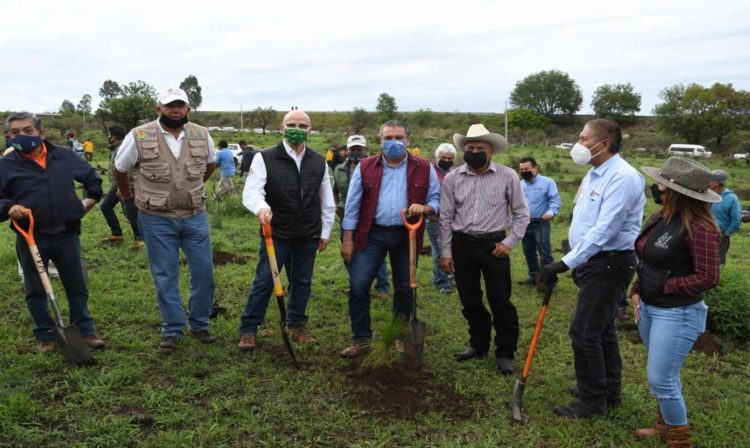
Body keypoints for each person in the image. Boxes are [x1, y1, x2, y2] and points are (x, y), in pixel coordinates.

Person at [541, 118, 645, 418]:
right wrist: (574, 254)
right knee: (602, 330)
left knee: (584, 331)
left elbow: (605, 230)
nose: (579, 143)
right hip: (592, 262)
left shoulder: (623, 177)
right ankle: (607, 390)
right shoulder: (594, 174)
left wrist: (564, 263)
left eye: (584, 139)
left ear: (604, 144)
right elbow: (584, 219)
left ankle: (592, 401)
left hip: (610, 263)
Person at [114, 87, 218, 351]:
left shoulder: (201, 134)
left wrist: (191, 189)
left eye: (180, 105)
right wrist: (128, 198)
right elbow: (121, 168)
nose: (176, 110)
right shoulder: (139, 135)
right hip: (155, 218)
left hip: (195, 216)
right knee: (165, 274)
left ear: (188, 109)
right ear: (158, 108)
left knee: (204, 272)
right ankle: (172, 330)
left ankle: (200, 324)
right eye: (170, 105)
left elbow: (210, 164)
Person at [631, 157, 721, 447]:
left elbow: (709, 276)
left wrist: (668, 285)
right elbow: (645, 259)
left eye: (662, 185)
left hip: (678, 313)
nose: (656, 188)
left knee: (661, 378)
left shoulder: (700, 228)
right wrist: (637, 288)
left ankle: (680, 440)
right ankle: (664, 424)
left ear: (677, 192)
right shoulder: (660, 217)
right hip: (649, 307)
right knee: (664, 375)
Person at [0, 112, 105, 353]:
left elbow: (92, 178)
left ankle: (85, 331)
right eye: (15, 133)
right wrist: (9, 207)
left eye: (28, 131)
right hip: (30, 237)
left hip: (67, 233)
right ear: (8, 136)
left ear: (41, 132)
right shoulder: (5, 165)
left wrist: (89, 201)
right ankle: (45, 334)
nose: (22, 136)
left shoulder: (64, 156)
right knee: (35, 288)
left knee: (76, 284)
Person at [339, 120, 441, 358]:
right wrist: (348, 239)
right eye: (388, 138)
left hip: (408, 235)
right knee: (359, 285)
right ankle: (361, 340)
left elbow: (436, 199)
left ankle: (399, 336)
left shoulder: (424, 167)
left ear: (408, 141)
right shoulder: (365, 167)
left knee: (405, 288)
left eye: (399, 138)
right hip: (371, 234)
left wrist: (425, 208)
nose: (394, 142)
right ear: (380, 140)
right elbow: (352, 206)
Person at [238, 110, 335, 351]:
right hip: (277, 230)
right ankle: (249, 328)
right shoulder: (266, 157)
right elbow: (252, 191)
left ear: (310, 130)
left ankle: (297, 325)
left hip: (307, 232)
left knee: (302, 281)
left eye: (303, 125)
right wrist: (261, 208)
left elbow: (327, 200)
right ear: (282, 129)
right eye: (291, 124)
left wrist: (325, 232)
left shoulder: (318, 160)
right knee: (265, 279)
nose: (297, 128)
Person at [439, 124, 529, 375]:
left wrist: (509, 243)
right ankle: (478, 345)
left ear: (491, 152)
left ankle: (504, 352)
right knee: (470, 299)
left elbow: (522, 214)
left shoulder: (507, 175)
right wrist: (446, 252)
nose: (474, 151)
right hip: (462, 244)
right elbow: (445, 218)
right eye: (470, 148)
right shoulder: (452, 178)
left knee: (500, 300)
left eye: (480, 148)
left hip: (494, 245)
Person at [333, 134, 390, 299]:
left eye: (359, 149)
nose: (356, 152)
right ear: (347, 150)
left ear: (366, 150)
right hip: (346, 218)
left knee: (376, 253)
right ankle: (356, 285)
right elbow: (335, 191)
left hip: (369, 218)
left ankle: (382, 287)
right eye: (353, 149)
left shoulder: (377, 168)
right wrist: (337, 207)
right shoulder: (339, 169)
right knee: (348, 253)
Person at [518, 157, 561, 286]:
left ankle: (550, 279)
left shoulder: (547, 182)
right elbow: (517, 204)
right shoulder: (520, 185)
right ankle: (534, 277)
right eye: (521, 170)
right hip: (525, 223)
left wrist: (551, 212)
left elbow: (555, 200)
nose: (524, 171)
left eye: (526, 169)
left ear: (535, 168)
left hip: (541, 222)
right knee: (529, 252)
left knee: (545, 252)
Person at [100, 126, 144, 250]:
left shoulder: (123, 148)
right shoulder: (115, 149)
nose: (108, 138)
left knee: (131, 213)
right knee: (105, 207)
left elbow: (127, 169)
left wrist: (121, 188)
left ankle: (140, 239)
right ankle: (117, 234)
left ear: (113, 136)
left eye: (109, 135)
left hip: (127, 186)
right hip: (116, 186)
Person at [427, 143, 457, 294]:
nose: (446, 160)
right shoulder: (429, 172)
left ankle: (450, 275)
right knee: (439, 249)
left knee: (453, 248)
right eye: (443, 157)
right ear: (437, 157)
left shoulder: (455, 173)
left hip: (453, 218)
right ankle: (441, 281)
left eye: (449, 158)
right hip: (434, 218)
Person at [708, 169, 741, 265]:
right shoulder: (706, 195)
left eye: (710, 180)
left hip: (720, 235)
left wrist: (726, 234)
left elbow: (736, 220)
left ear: (716, 183)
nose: (708, 182)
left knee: (718, 262)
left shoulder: (731, 198)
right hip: (704, 232)